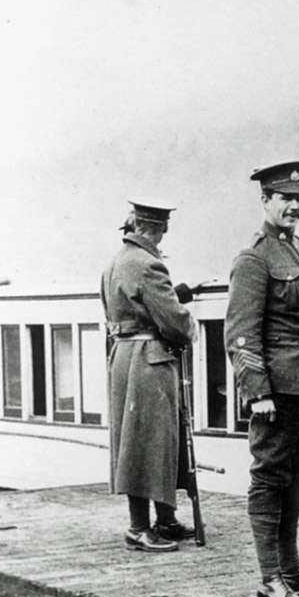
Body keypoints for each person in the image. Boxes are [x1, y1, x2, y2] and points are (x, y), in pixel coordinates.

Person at [225, 160, 299, 597]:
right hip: (274, 390)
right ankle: (270, 579)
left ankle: (291, 571)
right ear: (266, 201)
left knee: (295, 477)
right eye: (285, 198)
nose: (294, 206)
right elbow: (240, 334)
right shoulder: (254, 258)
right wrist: (258, 392)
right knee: (269, 478)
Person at [101, 199, 199, 553]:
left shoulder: (114, 262)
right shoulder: (149, 264)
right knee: (153, 440)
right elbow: (173, 321)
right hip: (150, 360)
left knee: (141, 439)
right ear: (159, 229)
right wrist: (191, 325)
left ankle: (164, 521)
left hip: (124, 356)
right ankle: (140, 528)